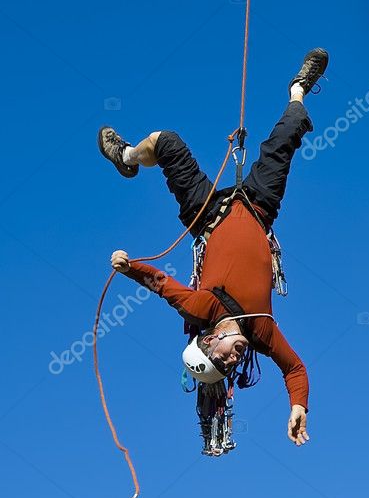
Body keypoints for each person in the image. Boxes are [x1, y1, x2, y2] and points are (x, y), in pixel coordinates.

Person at [97, 48, 329, 454]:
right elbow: (295, 368)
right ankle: (298, 89)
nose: (233, 362)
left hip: (207, 215)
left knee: (165, 142)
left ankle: (127, 156)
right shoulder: (261, 331)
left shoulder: (203, 309)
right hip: (258, 208)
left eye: (222, 361)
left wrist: (128, 266)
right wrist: (298, 406)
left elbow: (162, 284)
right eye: (229, 369)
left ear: (208, 341)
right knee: (287, 133)